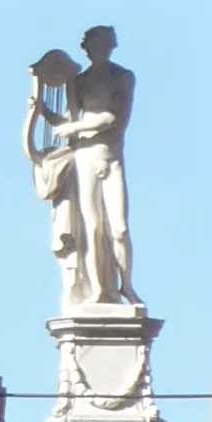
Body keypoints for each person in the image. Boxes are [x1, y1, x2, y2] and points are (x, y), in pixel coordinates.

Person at [44, 26, 140, 307]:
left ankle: (127, 287)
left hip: (110, 157)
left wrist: (76, 126)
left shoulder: (123, 77)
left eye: (109, 45)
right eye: (100, 45)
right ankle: (99, 291)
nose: (105, 50)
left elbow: (113, 118)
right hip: (85, 157)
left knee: (119, 229)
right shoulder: (79, 82)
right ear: (89, 48)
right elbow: (68, 127)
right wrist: (44, 113)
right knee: (92, 227)